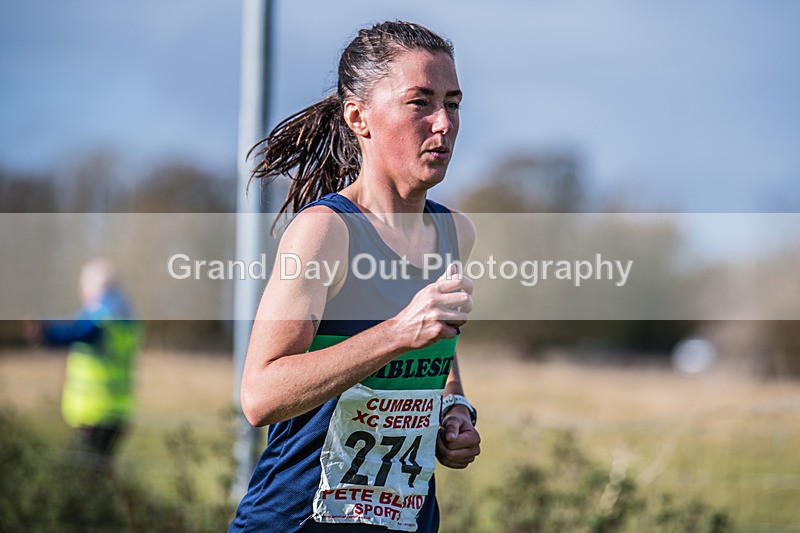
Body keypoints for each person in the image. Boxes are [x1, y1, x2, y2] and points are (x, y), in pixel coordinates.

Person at [230, 21, 480, 532]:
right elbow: (260, 395)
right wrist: (396, 332)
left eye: (452, 103)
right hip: (297, 523)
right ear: (358, 117)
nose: (443, 124)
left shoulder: (455, 232)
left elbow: (437, 353)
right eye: (420, 103)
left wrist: (455, 408)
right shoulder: (325, 232)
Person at [24, 257, 140, 459]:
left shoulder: (102, 312)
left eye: (83, 286)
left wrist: (46, 332)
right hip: (118, 409)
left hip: (95, 410)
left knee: (87, 474)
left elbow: (79, 332)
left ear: (94, 286)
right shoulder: (126, 314)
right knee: (99, 469)